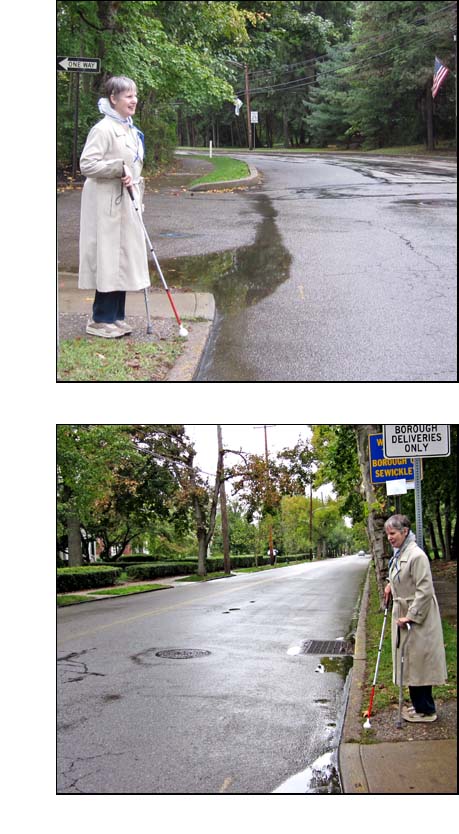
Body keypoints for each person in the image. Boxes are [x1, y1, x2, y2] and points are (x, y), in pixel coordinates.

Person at [78, 76, 150, 338]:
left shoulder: (129, 128)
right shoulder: (103, 128)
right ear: (113, 99)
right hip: (106, 204)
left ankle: (116, 317)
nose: (134, 100)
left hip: (126, 202)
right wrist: (117, 168)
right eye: (128, 95)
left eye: (135, 95)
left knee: (122, 259)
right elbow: (87, 164)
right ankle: (100, 319)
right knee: (108, 258)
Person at [383, 514, 447, 723]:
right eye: (387, 534)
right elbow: (401, 574)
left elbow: (425, 590)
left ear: (404, 531)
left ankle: (426, 710)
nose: (389, 538)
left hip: (418, 616)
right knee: (409, 662)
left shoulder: (417, 555)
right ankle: (418, 706)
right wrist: (390, 584)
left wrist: (410, 617)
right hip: (405, 613)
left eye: (392, 533)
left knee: (419, 662)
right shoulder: (401, 552)